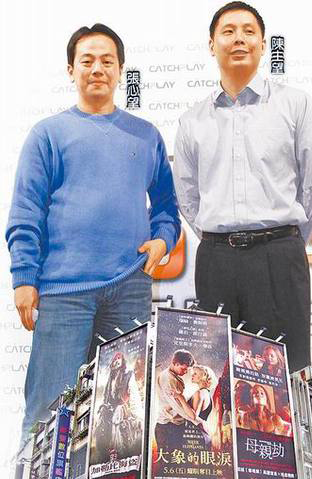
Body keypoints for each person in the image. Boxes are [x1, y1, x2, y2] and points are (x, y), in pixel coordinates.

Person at [6, 23, 181, 443]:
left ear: (120, 70)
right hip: (63, 292)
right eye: (87, 61)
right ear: (71, 70)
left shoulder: (146, 135)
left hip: (129, 287)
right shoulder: (48, 134)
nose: (97, 68)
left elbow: (167, 206)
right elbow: (26, 210)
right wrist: (24, 278)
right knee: (49, 413)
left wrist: (162, 240)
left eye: (107, 61)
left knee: (125, 416)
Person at [174, 1, 312, 373]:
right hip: (216, 261)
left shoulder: (295, 104)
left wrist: (287, 238)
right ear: (211, 45)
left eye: (249, 31)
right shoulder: (191, 121)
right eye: (228, 31)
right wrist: (220, 237)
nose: (239, 39)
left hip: (279, 257)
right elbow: (188, 196)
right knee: (217, 374)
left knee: (286, 373)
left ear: (263, 44)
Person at [154, 350, 209, 450]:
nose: (185, 372)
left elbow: (175, 402)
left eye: (187, 370)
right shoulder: (168, 379)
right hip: (168, 426)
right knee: (170, 457)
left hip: (173, 425)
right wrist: (198, 421)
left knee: (176, 456)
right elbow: (178, 407)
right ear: (176, 364)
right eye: (183, 369)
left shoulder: (172, 376)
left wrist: (181, 398)